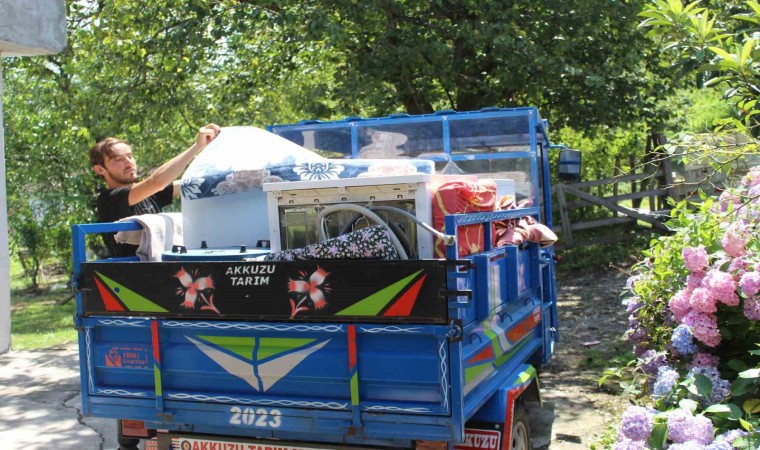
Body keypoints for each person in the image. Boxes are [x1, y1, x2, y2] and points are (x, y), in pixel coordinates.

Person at [89, 124, 221, 257]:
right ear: (100, 169)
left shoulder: (151, 193)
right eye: (118, 159)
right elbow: (157, 182)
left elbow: (195, 184)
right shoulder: (108, 198)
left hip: (160, 265)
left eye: (130, 156)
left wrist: (228, 177)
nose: (129, 163)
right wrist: (197, 146)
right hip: (132, 269)